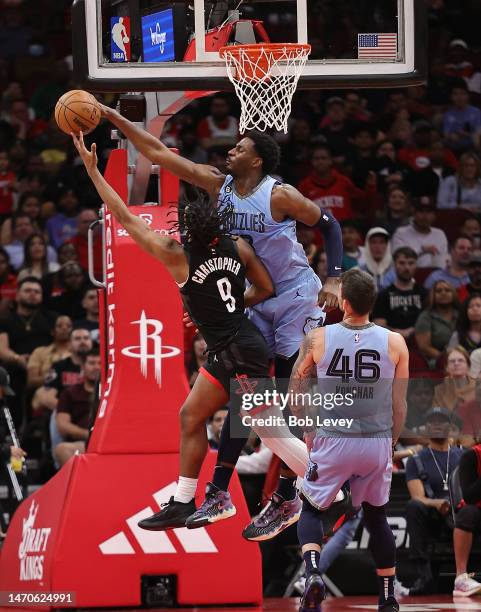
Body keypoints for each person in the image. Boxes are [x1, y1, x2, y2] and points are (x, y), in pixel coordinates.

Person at [99, 105, 344, 539]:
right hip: (260, 294)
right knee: (247, 396)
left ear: (258, 160)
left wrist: (336, 278)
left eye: (240, 147)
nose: (230, 150)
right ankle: (219, 491)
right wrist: (111, 116)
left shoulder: (280, 194)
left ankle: (287, 491)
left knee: (282, 399)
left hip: (295, 297)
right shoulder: (220, 185)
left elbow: (330, 225)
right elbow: (156, 151)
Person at [288, 268, 409, 612]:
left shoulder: (319, 337)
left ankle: (313, 573)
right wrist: (393, 441)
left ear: (343, 302)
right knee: (376, 517)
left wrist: (306, 427)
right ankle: (387, 598)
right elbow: (399, 404)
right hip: (375, 439)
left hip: (333, 436)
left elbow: (296, 385)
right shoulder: (395, 342)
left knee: (311, 507)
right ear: (372, 302)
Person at [404, 407, 463, 595]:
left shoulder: (463, 456)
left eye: (441, 421)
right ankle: (424, 575)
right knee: (414, 506)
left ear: (450, 426)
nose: (436, 425)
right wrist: (437, 503)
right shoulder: (417, 459)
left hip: (461, 513)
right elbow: (418, 497)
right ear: (425, 427)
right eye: (432, 421)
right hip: (433, 516)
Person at [54, 348, 101, 467]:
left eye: (100, 363)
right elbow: (62, 425)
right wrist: (89, 435)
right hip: (83, 442)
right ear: (83, 367)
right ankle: (83, 485)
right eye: (91, 363)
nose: (96, 367)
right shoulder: (70, 393)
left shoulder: (112, 391)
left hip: (108, 442)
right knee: (62, 449)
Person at [373, 247, 426, 342]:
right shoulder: (383, 295)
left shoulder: (424, 293)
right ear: (394, 265)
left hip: (419, 341)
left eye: (411, 263)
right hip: (391, 342)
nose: (406, 267)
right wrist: (397, 333)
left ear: (416, 265)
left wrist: (413, 331)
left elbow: (430, 322)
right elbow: (378, 325)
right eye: (402, 263)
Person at [391, 196, 448, 269]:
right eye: (421, 211)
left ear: (434, 216)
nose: (424, 216)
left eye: (428, 212)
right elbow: (398, 259)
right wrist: (422, 250)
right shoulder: (401, 233)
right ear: (414, 214)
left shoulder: (440, 234)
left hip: (434, 276)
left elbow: (443, 264)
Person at [415, 280, 460, 365]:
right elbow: (425, 347)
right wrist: (446, 359)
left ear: (453, 293)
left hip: (463, 358)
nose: (443, 293)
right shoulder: (425, 317)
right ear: (433, 295)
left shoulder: (461, 314)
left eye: (447, 290)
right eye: (439, 291)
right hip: (437, 361)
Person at [27, 314, 72, 391]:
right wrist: (56, 378)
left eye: (68, 326)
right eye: (59, 326)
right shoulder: (39, 352)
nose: (64, 328)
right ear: (52, 331)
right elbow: (31, 381)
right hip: (45, 391)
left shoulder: (78, 352)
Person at [433, 346, 475, 412]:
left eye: (460, 360)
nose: (456, 363)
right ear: (446, 367)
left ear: (468, 366)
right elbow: (436, 417)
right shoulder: (439, 391)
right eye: (452, 361)